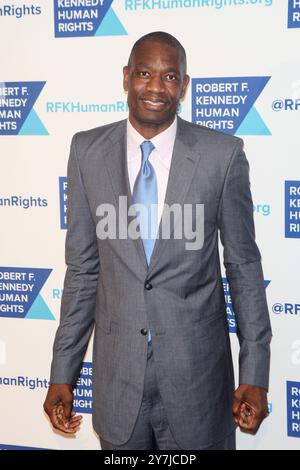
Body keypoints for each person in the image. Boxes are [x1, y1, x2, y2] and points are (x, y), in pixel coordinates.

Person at [43, 31, 272, 450]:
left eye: (170, 77)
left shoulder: (222, 156)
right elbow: (83, 271)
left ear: (184, 86)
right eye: (145, 73)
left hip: (199, 383)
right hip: (118, 385)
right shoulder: (86, 152)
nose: (155, 87)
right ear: (126, 77)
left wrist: (255, 374)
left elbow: (243, 268)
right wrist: (63, 371)